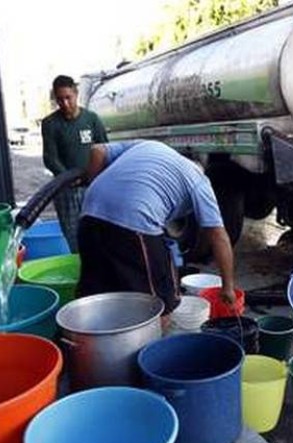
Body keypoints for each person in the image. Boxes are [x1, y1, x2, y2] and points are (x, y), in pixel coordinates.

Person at [76, 140, 237, 326]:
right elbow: (218, 236)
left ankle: (95, 348)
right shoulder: (199, 181)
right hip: (135, 220)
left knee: (97, 298)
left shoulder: (150, 146)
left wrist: (97, 191)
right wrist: (228, 287)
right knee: (161, 304)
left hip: (89, 212)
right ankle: (153, 350)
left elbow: (97, 151)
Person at [41, 75, 108, 252]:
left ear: (76, 94)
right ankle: (80, 270)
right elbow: (50, 158)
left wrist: (93, 176)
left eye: (68, 97)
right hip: (65, 190)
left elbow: (105, 149)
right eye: (59, 99)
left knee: (98, 232)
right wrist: (68, 177)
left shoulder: (91, 119)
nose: (65, 103)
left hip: (93, 186)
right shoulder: (50, 124)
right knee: (74, 237)